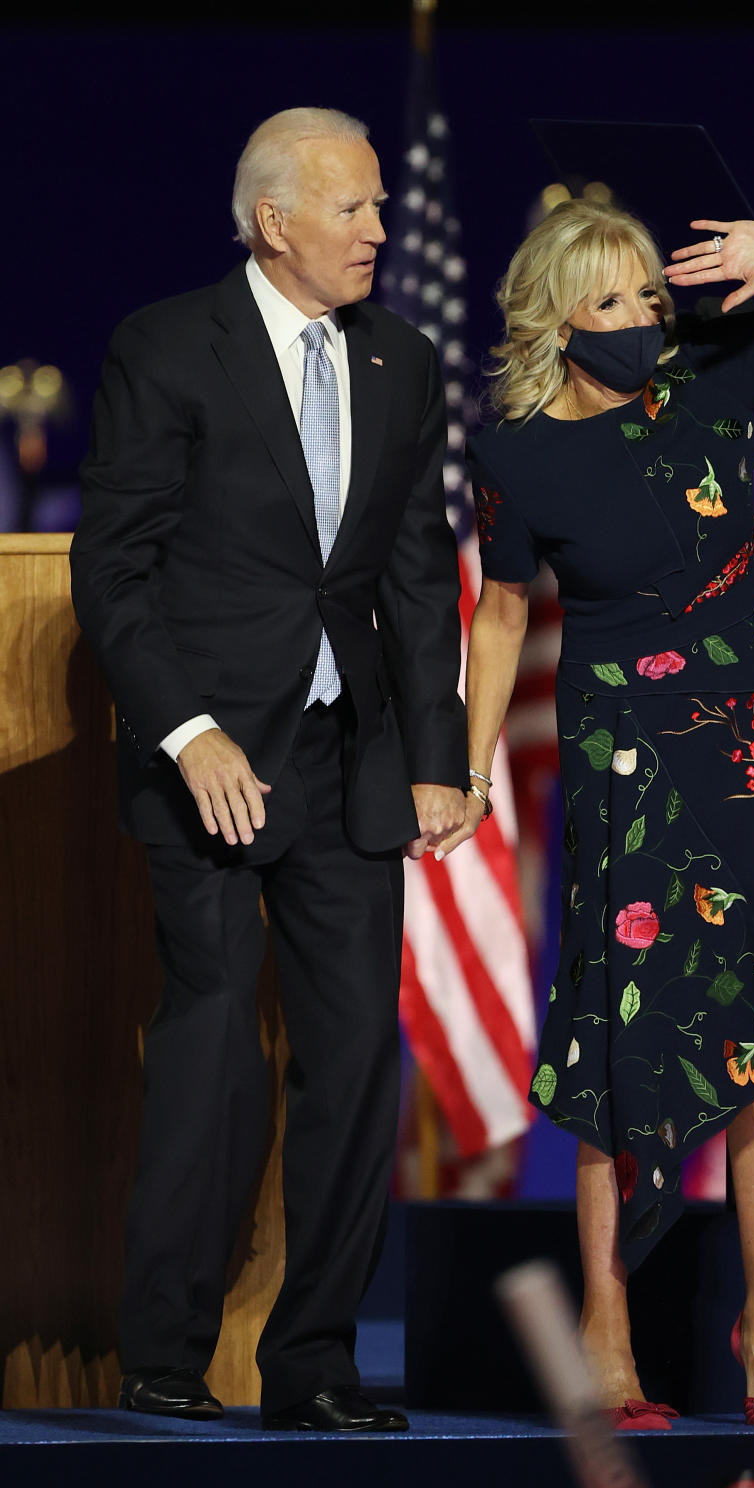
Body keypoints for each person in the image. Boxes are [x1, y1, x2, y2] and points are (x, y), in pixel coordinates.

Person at [439, 199, 754, 1429]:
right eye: (614, 302)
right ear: (556, 320)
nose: (645, 319)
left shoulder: (706, 377)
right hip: (629, 755)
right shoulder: (518, 456)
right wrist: (471, 769)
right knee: (623, 1028)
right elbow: (498, 618)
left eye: (653, 294)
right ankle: (603, 1318)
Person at [70, 107, 467, 1432]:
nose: (378, 228)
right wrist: (187, 734)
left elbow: (417, 577)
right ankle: (167, 1356)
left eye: (378, 207)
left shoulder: (405, 362)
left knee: (357, 1067)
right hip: (213, 765)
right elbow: (112, 569)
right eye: (351, 208)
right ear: (271, 221)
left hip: (350, 762)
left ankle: (315, 1367)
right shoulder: (167, 345)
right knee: (213, 1051)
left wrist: (439, 759)